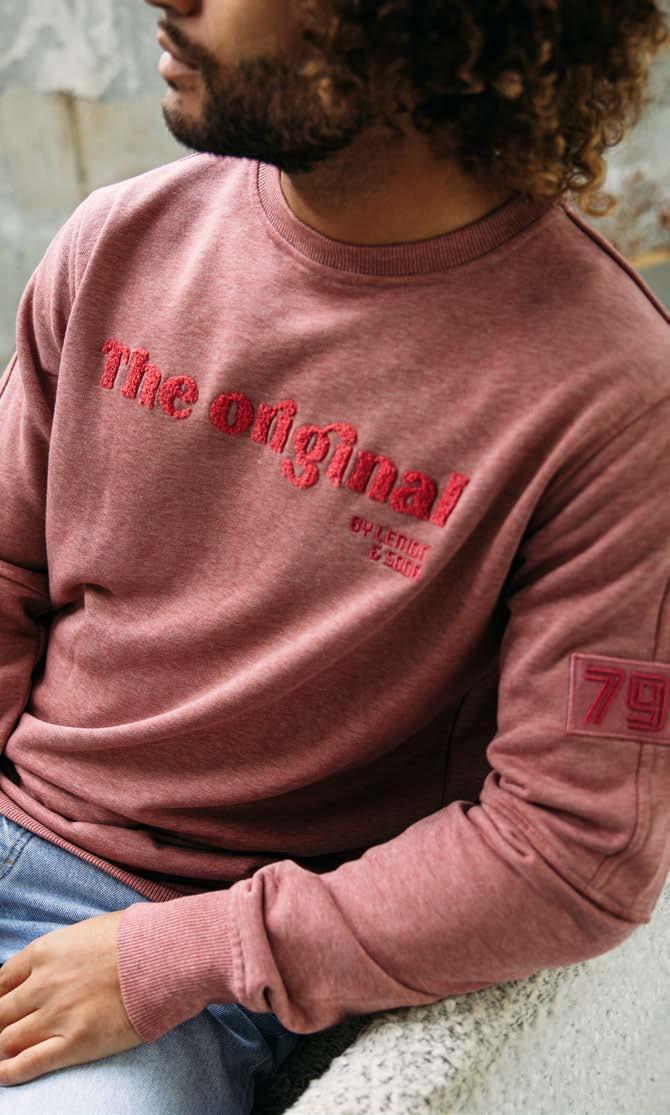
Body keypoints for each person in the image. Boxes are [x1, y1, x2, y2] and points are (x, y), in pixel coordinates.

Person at [0, 1, 668, 1111]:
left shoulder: (614, 402)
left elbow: (573, 852)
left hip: (175, 960)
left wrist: (178, 956)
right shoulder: (117, 238)